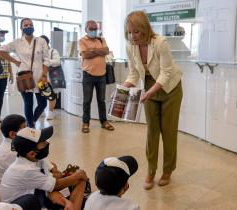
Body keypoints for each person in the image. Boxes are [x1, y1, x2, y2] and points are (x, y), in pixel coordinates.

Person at [123, 11, 183, 190]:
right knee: (152, 132)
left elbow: (166, 73)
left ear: (145, 29)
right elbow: (133, 73)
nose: (132, 36)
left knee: (169, 131)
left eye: (136, 32)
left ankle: (167, 170)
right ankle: (151, 170)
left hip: (170, 88)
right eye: (129, 32)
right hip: (150, 86)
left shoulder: (160, 43)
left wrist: (149, 93)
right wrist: (122, 89)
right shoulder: (130, 46)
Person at [0, 127, 88, 210]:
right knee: (81, 180)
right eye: (43, 142)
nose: (47, 143)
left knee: (75, 180)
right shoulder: (26, 170)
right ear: (32, 154)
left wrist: (66, 202)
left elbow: (50, 186)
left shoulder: (32, 159)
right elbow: (56, 185)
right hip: (24, 205)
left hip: (34, 195)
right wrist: (77, 175)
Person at [0, 18, 49, 128]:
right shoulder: (17, 42)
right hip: (24, 77)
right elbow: (0, 50)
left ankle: (32, 120)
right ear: (21, 28)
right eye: (26, 25)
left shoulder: (41, 41)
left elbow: (46, 59)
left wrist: (44, 75)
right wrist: (15, 61)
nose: (29, 26)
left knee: (43, 103)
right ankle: (30, 127)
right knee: (28, 104)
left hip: (40, 77)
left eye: (31, 24)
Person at [78, 20, 114, 133]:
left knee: (101, 100)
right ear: (86, 29)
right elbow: (85, 55)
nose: (94, 31)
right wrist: (99, 51)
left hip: (102, 75)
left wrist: (93, 50)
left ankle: (104, 122)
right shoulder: (82, 40)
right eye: (91, 29)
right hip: (88, 75)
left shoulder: (101, 39)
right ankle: (85, 123)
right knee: (87, 100)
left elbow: (106, 51)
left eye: (95, 29)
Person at [0, 114, 27, 201]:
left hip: (8, 183)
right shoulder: (11, 153)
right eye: (24, 128)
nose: (28, 130)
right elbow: (25, 174)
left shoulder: (13, 142)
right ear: (13, 134)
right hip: (5, 193)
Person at [40, 35, 61, 120]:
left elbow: (57, 62)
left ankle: (51, 112)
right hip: (41, 77)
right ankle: (41, 110)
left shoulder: (53, 51)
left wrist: (46, 62)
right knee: (41, 94)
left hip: (51, 77)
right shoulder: (38, 52)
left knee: (51, 95)